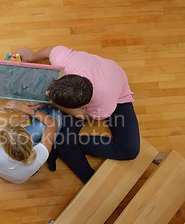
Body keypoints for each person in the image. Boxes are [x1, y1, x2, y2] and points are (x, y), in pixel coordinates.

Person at [17, 45, 140, 183]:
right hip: (103, 76)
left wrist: (50, 102)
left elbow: (82, 115)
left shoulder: (103, 106)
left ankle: (79, 157)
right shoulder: (65, 59)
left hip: (115, 96)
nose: (46, 94)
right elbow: (48, 51)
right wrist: (31, 57)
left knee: (130, 150)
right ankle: (85, 173)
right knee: (64, 141)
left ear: (78, 105)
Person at [0, 100, 58, 184]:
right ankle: (47, 106)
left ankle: (45, 106)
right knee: (56, 117)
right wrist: (25, 109)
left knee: (44, 126)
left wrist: (19, 121)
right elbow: (53, 123)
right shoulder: (41, 155)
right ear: (29, 138)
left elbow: (6, 136)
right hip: (19, 174)